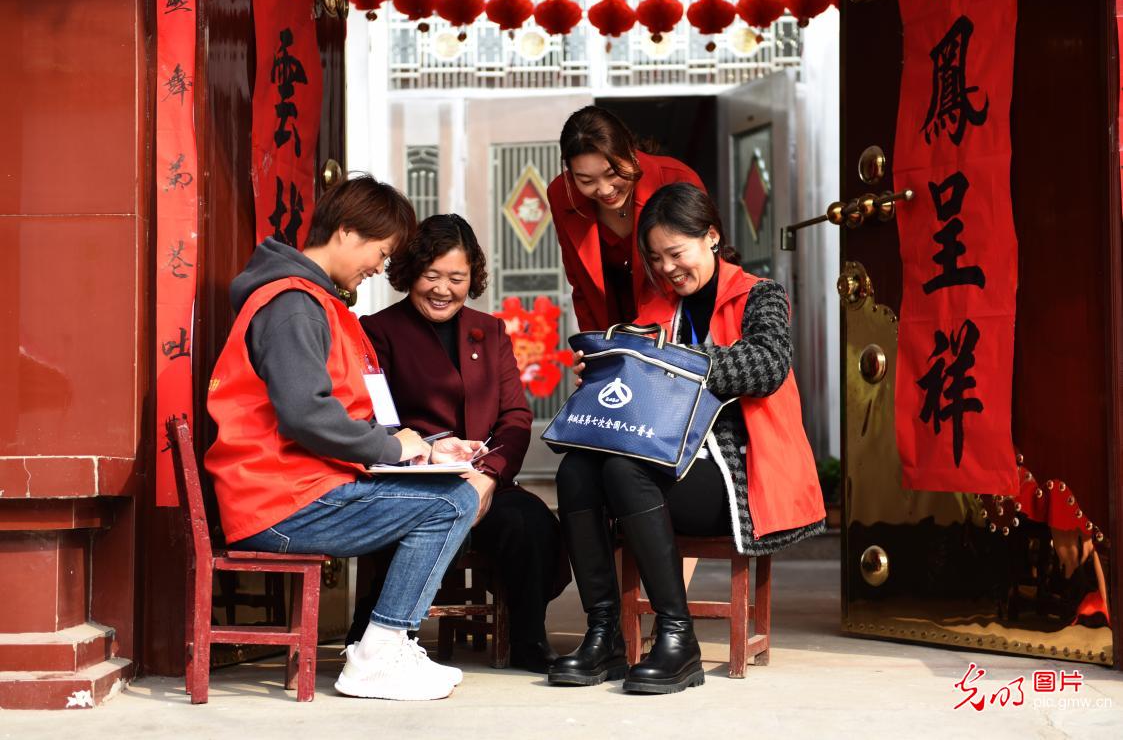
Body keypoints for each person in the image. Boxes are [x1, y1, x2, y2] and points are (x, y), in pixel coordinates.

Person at [205, 176, 491, 702]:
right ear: (347, 232)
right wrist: (391, 449)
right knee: (453, 501)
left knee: (449, 490)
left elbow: (348, 410)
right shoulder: (292, 304)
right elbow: (306, 415)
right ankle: (379, 652)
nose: (380, 268)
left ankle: (389, 644)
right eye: (381, 252)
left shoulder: (318, 302)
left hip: (299, 489)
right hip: (281, 502)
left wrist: (426, 450)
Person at [548, 182, 826, 694]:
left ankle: (678, 640)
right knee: (575, 470)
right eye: (655, 259)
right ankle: (604, 634)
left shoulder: (760, 294)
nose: (667, 268)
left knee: (624, 470)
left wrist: (674, 361)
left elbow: (768, 364)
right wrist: (608, 368)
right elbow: (640, 381)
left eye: (676, 253)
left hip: (737, 474)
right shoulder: (657, 307)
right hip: (666, 460)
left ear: (711, 237)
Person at [354, 213, 569, 673]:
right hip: (414, 482)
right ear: (410, 271)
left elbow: (515, 417)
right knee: (405, 524)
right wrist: (423, 452)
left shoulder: (489, 331)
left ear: (473, 278)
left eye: (456, 278)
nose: (443, 290)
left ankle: (528, 639)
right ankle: (386, 641)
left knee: (530, 522)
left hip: (481, 478)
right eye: (431, 275)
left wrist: (488, 476)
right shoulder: (378, 329)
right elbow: (377, 418)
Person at [547, 105, 705, 333]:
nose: (605, 190)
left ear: (631, 152)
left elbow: (704, 267)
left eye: (612, 174)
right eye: (586, 181)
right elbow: (581, 286)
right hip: (611, 326)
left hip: (678, 323)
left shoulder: (676, 179)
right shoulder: (562, 195)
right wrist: (595, 347)